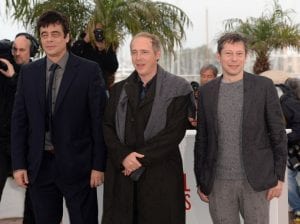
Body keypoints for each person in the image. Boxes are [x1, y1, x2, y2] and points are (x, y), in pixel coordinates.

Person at [11, 10, 107, 224]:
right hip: (40, 167)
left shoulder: (89, 71)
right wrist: (18, 165)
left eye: (55, 33)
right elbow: (19, 123)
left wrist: (98, 165)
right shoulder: (28, 73)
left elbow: (98, 122)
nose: (49, 39)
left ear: (67, 37)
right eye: (44, 34)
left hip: (79, 167)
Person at [194, 32, 287, 224]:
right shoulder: (206, 92)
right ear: (219, 57)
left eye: (239, 53)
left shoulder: (264, 86)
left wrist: (279, 176)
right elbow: (202, 139)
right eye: (228, 53)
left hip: (256, 181)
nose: (234, 59)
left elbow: (278, 133)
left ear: (246, 56)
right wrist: (201, 180)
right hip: (218, 183)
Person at [102, 32, 193, 224]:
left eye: (144, 52)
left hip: (161, 178)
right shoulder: (119, 90)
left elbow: (173, 133)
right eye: (134, 52)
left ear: (157, 54)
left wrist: (137, 160)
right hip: (122, 179)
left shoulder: (179, 88)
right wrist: (124, 157)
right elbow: (107, 128)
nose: (138, 58)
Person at [0, 32, 39, 224]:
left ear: (32, 52)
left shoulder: (36, 73)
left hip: (27, 148)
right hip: (3, 144)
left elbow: (30, 106)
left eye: (21, 50)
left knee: (33, 200)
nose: (16, 54)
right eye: (14, 49)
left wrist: (14, 78)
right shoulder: (4, 70)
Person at [277, 78, 300, 223]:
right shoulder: (293, 101)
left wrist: (282, 139)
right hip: (294, 147)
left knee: (289, 178)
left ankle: (297, 207)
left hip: (292, 148)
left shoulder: (285, 102)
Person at [71, 22, 118, 90]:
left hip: (100, 88)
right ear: (90, 30)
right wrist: (84, 41)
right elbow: (71, 58)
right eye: (96, 30)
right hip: (82, 87)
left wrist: (103, 50)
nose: (98, 33)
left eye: (100, 30)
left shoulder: (107, 45)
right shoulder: (81, 43)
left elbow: (113, 67)